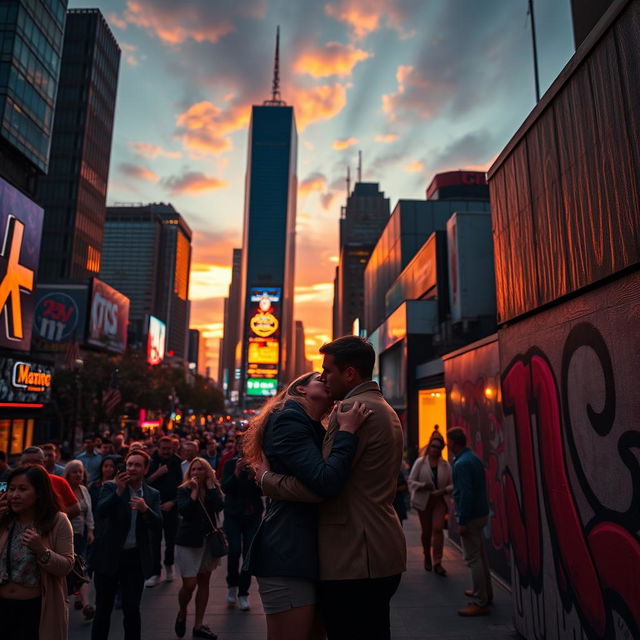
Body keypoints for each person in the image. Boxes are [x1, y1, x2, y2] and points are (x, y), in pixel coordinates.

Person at [260, 336, 407, 640]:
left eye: (328, 370)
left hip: (354, 556)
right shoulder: (381, 406)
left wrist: (267, 481)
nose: (324, 377)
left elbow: (324, 483)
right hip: (379, 549)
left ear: (350, 373)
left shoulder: (352, 410)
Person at [245, 371, 367, 640]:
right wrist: (347, 431)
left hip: (301, 553)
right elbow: (325, 482)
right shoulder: (289, 419)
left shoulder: (310, 424)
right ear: (300, 390)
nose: (326, 379)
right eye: (318, 378)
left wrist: (268, 479)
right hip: (286, 553)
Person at [91, 449, 162, 640]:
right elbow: (101, 511)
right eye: (129, 464)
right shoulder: (110, 487)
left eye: (137, 465)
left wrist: (145, 509)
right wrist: (119, 491)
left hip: (134, 559)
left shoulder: (151, 494)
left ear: (146, 469)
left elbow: (158, 525)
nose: (132, 468)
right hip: (109, 556)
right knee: (103, 610)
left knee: (131, 610)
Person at [0, 465, 74, 640]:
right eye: (11, 489)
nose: (15, 495)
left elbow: (66, 566)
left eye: (23, 489)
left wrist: (41, 550)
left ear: (39, 492)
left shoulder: (58, 521)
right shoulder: (4, 519)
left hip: (35, 610)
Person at [174, 457, 224, 640]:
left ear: (207, 472)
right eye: (193, 469)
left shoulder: (212, 489)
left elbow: (219, 506)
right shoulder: (183, 490)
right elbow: (185, 511)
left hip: (207, 542)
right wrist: (194, 494)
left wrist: (210, 489)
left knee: (204, 582)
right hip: (187, 542)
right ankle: (182, 612)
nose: (196, 472)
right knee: (189, 584)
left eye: (200, 469)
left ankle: (198, 625)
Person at [446, 427, 493, 616]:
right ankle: (484, 593)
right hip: (480, 513)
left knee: (473, 558)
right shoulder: (472, 457)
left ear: (453, 443)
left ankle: (480, 601)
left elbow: (466, 493)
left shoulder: (461, 463)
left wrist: (462, 519)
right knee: (480, 556)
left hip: (471, 516)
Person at [221, 432, 263, 611]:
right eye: (240, 445)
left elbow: (264, 491)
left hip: (252, 515)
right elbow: (225, 487)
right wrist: (237, 473)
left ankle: (243, 593)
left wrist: (255, 475)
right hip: (233, 515)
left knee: (248, 554)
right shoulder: (230, 464)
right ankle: (232, 585)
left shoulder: (259, 464)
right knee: (234, 550)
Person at [408, 436, 453, 576]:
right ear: (429, 447)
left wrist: (444, 490)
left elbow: (452, 484)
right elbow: (411, 481)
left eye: (438, 447)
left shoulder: (445, 465)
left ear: (441, 450)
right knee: (426, 531)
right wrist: (423, 485)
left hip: (439, 500)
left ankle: (437, 561)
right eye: (433, 446)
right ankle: (427, 554)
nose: (434, 449)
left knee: (438, 529)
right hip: (424, 501)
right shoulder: (420, 463)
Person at [146, 435, 183, 585]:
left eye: (169, 449)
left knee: (170, 540)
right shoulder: (150, 461)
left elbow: (182, 485)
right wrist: (157, 474)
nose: (166, 452)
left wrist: (173, 502)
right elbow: (144, 483)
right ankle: (155, 572)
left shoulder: (177, 462)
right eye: (163, 449)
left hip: (171, 508)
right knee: (154, 541)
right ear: (158, 448)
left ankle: (169, 565)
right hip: (153, 507)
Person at [64, 459, 96, 619]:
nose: (78, 474)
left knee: (82, 567)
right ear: (67, 474)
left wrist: (90, 530)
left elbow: (89, 511)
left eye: (80, 472)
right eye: (74, 472)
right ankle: (77, 600)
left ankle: (85, 603)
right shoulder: (63, 489)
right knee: (70, 568)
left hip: (81, 535)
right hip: (65, 536)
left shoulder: (84, 489)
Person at [21, 447, 81, 519]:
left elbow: (76, 509)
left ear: (44, 463)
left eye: (36, 461)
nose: (31, 465)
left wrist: (54, 519)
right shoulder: (9, 480)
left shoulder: (59, 481)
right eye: (26, 462)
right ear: (21, 464)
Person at [88, 455, 119, 520]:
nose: (108, 469)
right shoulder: (94, 485)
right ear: (101, 468)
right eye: (106, 466)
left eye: (111, 466)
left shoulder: (118, 486)